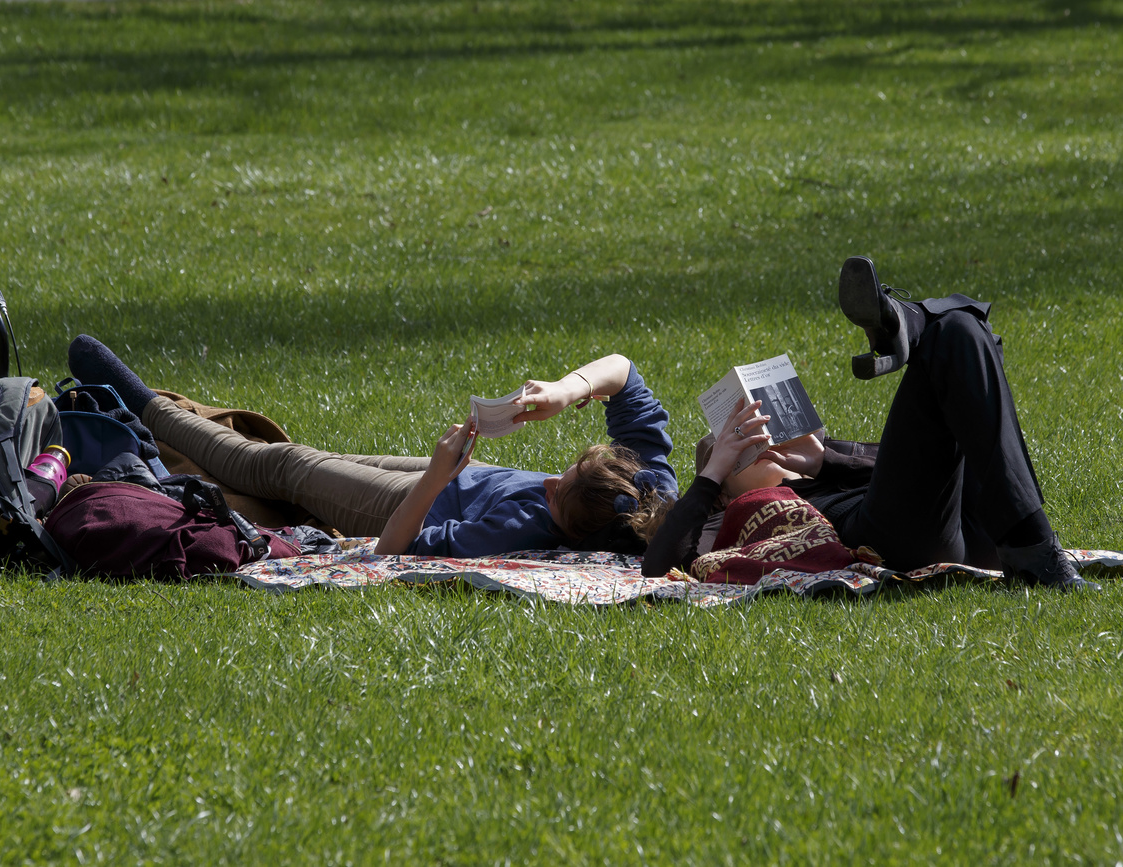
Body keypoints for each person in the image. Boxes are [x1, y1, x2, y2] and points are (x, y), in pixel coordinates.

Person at [642, 255, 1099, 592]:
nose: (759, 440)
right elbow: (658, 566)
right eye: (741, 446)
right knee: (958, 334)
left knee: (966, 337)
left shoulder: (820, 472)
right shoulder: (729, 521)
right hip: (894, 541)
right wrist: (712, 472)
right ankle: (905, 322)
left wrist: (827, 460)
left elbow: (918, 468)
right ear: (724, 492)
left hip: (975, 527)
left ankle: (906, 323)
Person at [67, 340, 677, 558]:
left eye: (556, 493)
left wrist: (437, 478)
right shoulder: (650, 485)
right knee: (300, 471)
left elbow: (395, 551)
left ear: (567, 530)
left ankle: (141, 405)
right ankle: (148, 430)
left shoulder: (515, 531)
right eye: (566, 468)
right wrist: (567, 392)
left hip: (414, 504)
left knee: (282, 465)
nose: (550, 479)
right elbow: (624, 370)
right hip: (465, 476)